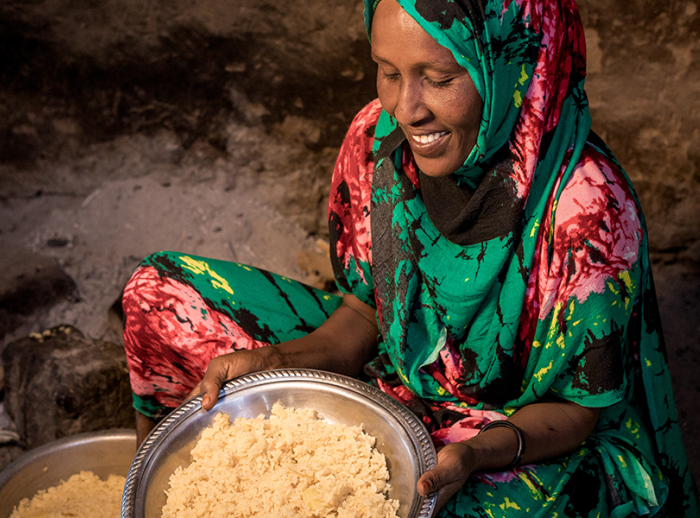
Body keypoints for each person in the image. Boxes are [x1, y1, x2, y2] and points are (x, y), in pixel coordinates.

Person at [122, 0, 699, 515]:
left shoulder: (587, 210)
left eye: (440, 78)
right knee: (158, 296)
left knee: (443, 505)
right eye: (388, 72)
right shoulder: (379, 139)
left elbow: (576, 413)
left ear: (508, 65)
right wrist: (278, 359)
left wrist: (474, 455)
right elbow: (368, 312)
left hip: (530, 434)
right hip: (400, 380)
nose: (405, 108)